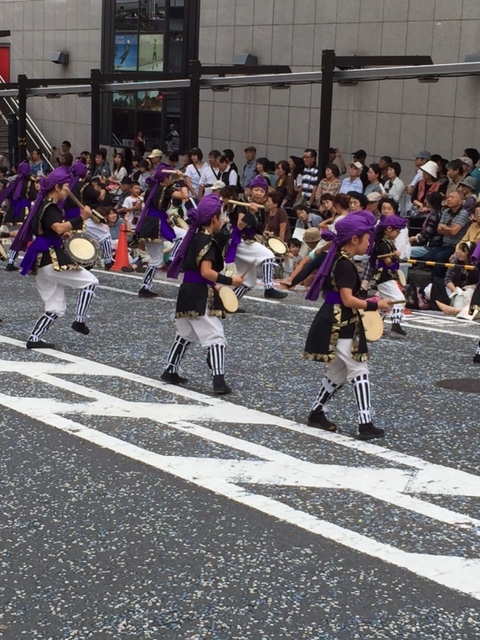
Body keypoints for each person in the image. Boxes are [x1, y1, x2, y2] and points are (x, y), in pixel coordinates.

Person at [303, 210, 393, 439]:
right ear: (355, 239)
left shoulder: (341, 258)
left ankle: (316, 412)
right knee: (359, 370)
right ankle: (365, 423)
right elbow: (347, 300)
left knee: (338, 373)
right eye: (367, 239)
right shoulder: (344, 263)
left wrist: (372, 302)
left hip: (338, 319)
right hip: (339, 322)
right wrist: (376, 305)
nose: (369, 243)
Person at [162, 193, 244, 394]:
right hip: (199, 294)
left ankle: (170, 369)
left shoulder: (193, 235)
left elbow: (195, 271)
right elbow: (206, 271)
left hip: (187, 290)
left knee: (185, 334)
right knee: (216, 337)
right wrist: (229, 281)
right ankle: (218, 380)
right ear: (213, 218)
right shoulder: (206, 240)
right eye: (220, 216)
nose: (222, 220)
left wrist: (216, 286)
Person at [15, 166, 98, 349]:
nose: (68, 190)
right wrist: (81, 218)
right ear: (57, 188)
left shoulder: (42, 204)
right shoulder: (51, 206)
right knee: (90, 282)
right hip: (51, 258)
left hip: (41, 261)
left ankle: (35, 338)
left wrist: (60, 234)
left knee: (55, 306)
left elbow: (50, 230)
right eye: (66, 186)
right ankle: (79, 320)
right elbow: (57, 227)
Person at [221, 175, 288, 301]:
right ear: (250, 190)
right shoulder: (243, 204)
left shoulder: (260, 208)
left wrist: (264, 233)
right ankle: (269, 288)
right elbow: (240, 226)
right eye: (256, 190)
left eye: (262, 191)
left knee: (248, 282)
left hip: (246, 242)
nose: (258, 193)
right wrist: (250, 212)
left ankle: (227, 303)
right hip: (239, 241)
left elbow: (256, 227)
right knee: (268, 255)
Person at [135, 163, 183, 297]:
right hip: (157, 223)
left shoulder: (152, 189)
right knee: (157, 258)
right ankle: (172, 258)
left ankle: (145, 286)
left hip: (148, 222)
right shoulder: (165, 190)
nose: (170, 179)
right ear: (165, 178)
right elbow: (183, 195)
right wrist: (181, 180)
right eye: (169, 177)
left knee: (156, 258)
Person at [371, 214, 409, 337]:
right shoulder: (383, 243)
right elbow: (387, 262)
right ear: (388, 229)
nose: (398, 233)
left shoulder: (387, 242)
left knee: (385, 302)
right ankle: (395, 324)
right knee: (398, 298)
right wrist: (395, 257)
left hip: (386, 276)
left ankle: (377, 325)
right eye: (397, 231)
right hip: (385, 276)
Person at [0, 161, 35, 271]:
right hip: (24, 211)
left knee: (13, 237)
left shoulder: (14, 182)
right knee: (25, 237)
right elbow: (33, 196)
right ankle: (30, 263)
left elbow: (7, 194)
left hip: (11, 211)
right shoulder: (31, 182)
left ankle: (11, 261)